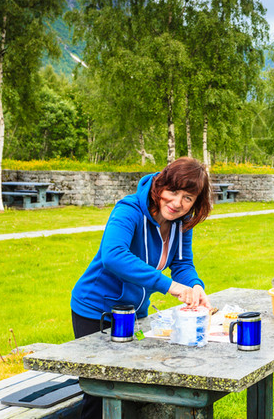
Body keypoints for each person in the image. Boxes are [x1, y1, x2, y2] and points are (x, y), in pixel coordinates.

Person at [70, 156, 213, 419]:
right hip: (95, 310)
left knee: (135, 385)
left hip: (135, 312)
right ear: (160, 185)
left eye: (187, 198)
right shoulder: (129, 209)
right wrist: (170, 287)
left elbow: (182, 263)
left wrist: (194, 285)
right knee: (101, 389)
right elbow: (113, 255)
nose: (177, 203)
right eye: (173, 191)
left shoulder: (181, 222)